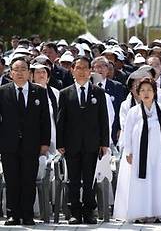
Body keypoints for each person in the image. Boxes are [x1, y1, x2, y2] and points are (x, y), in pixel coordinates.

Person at [115, 78, 161, 222]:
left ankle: (158, 211)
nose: (146, 93)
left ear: (154, 92)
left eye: (149, 90)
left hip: (159, 153)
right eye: (142, 90)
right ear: (138, 93)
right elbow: (127, 133)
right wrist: (128, 151)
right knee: (142, 181)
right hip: (140, 154)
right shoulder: (134, 112)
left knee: (159, 180)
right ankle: (142, 212)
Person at [56, 56, 110, 225]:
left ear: (90, 71)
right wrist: (60, 144)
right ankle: (74, 212)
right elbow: (61, 120)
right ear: (72, 70)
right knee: (73, 180)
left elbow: (104, 119)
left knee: (89, 180)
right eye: (78, 68)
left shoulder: (98, 92)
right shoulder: (65, 93)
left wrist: (104, 143)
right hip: (71, 144)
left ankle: (89, 212)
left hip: (92, 144)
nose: (81, 71)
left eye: (85, 68)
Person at [0, 57, 51, 226]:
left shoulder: (40, 91)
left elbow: (45, 120)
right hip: (8, 144)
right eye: (16, 69)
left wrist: (45, 143)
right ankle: (13, 214)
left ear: (29, 73)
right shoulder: (3, 91)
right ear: (11, 73)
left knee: (28, 180)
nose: (20, 73)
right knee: (12, 180)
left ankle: (28, 214)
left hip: (32, 144)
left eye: (23, 69)